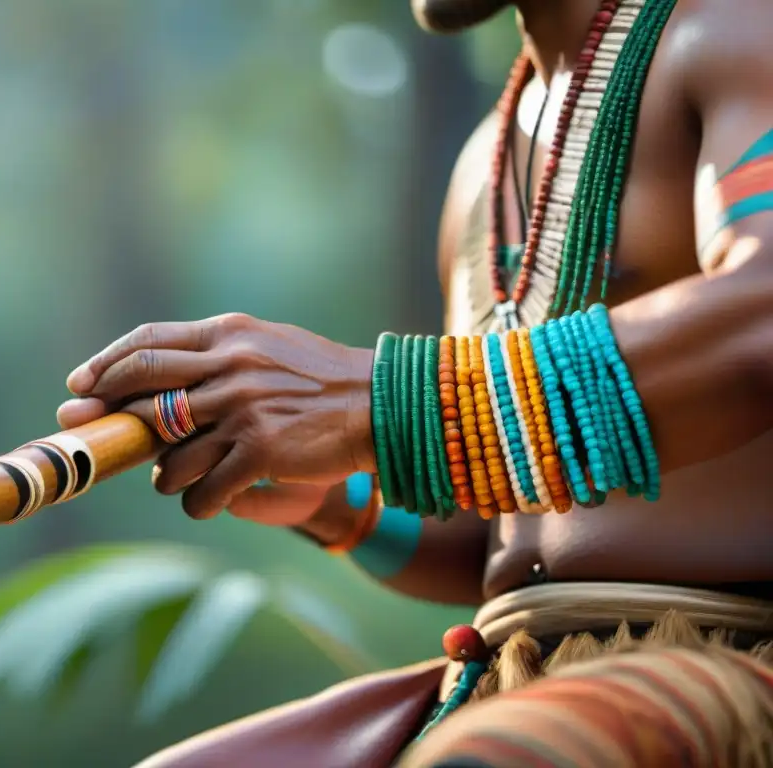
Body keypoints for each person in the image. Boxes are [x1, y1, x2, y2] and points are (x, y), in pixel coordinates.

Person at [57, 0, 773, 764]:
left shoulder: (736, 31)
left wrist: (377, 402)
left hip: (731, 664)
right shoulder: (483, 164)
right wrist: (337, 500)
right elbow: (502, 536)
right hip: (502, 678)